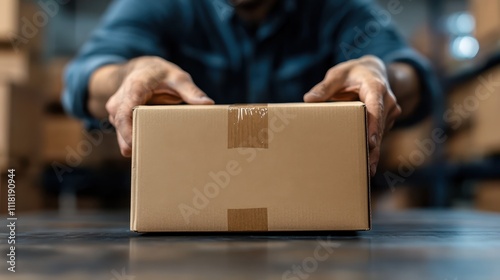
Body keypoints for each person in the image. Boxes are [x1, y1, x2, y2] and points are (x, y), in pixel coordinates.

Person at [63, 0, 437, 176]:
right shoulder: (158, 6)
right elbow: (82, 79)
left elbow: (416, 79)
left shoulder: (336, 8)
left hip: (316, 220)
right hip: (181, 221)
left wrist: (379, 72)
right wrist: (128, 74)